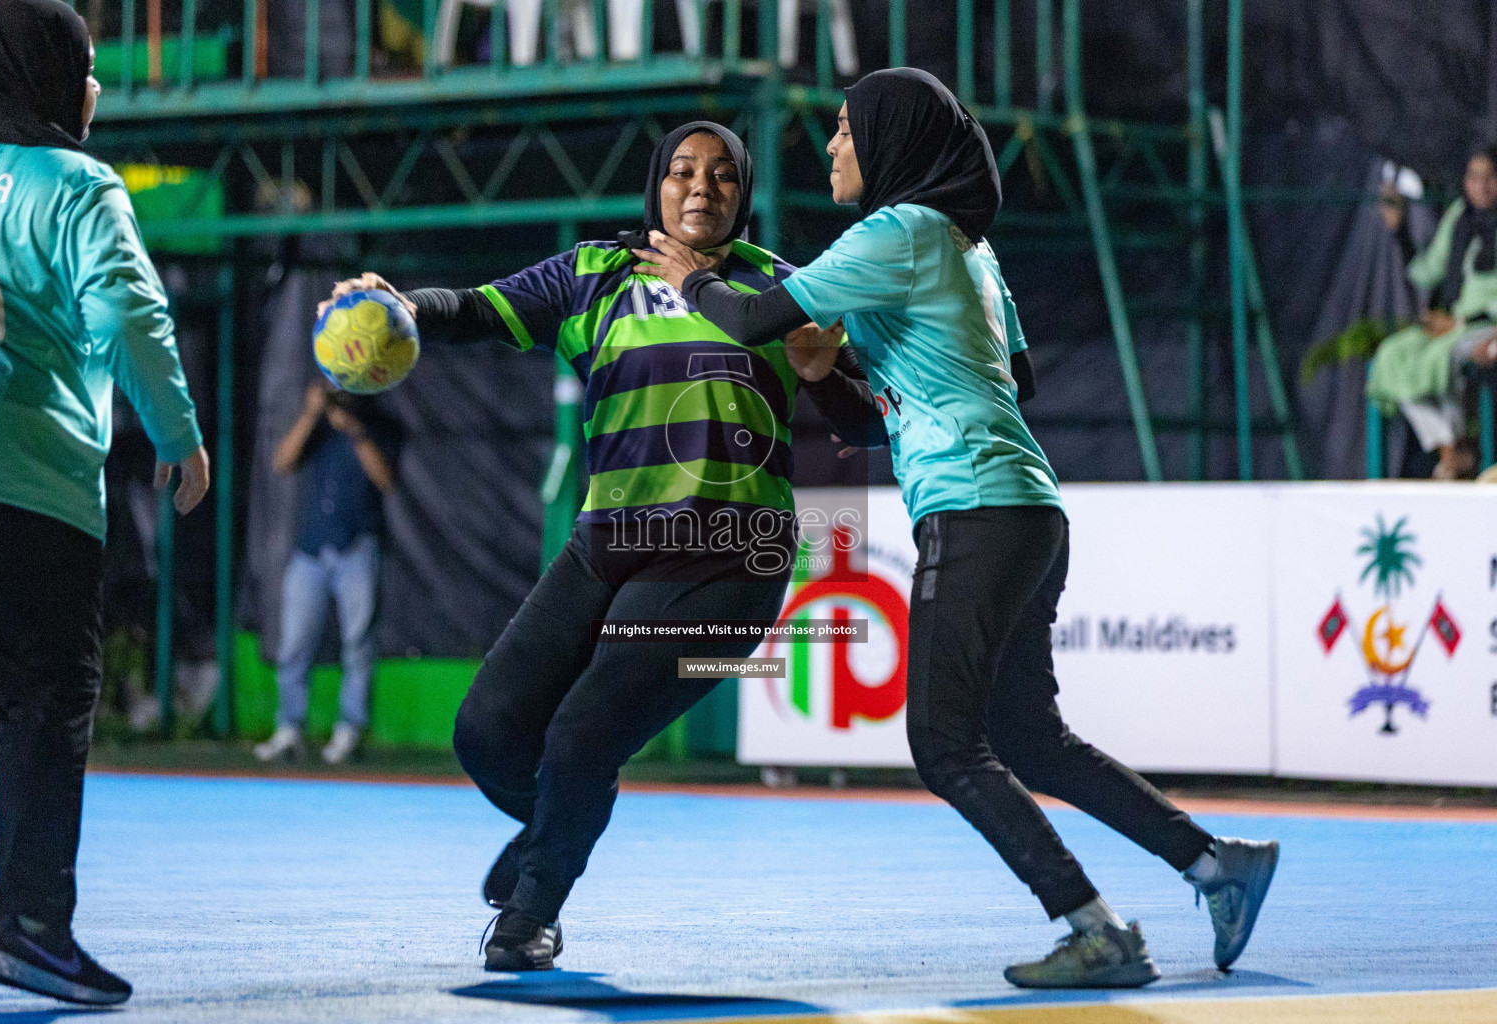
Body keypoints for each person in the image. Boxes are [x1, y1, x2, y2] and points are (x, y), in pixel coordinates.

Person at [637, 68, 1279, 990]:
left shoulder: (892, 233)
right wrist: (826, 374)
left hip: (975, 508)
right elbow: (975, 391)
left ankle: (1096, 929)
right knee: (1028, 737)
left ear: (893, 143)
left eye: (848, 130)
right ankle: (1218, 865)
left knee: (943, 745)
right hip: (1026, 509)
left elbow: (751, 317)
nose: (831, 146)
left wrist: (694, 278)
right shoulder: (972, 251)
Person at [324, 121, 883, 971]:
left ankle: (531, 915)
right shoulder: (595, 274)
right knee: (486, 733)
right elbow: (475, 310)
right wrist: (403, 309)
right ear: (656, 185)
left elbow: (855, 421)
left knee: (584, 735)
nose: (702, 189)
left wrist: (820, 371)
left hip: (733, 558)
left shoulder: (780, 289)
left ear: (745, 195)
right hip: (608, 544)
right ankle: (560, 823)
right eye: (684, 173)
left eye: (724, 177)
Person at [0, 0, 209, 1005]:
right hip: (25, 482)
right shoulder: (77, 184)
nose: (98, 84)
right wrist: (180, 435)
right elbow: (127, 314)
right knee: (44, 697)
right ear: (49, 76)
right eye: (90, 65)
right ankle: (28, 926)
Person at [253, 380, 398, 765]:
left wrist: (355, 431)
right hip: (311, 550)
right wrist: (310, 414)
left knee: (358, 643)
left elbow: (386, 480)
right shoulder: (317, 428)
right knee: (294, 642)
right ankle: (289, 729)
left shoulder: (381, 426)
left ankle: (350, 730)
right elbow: (282, 463)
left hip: (358, 548)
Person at [1370, 146, 1497, 479]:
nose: (1483, 187)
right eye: (1474, 178)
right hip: (1456, 325)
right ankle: (1451, 449)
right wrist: (1401, 231)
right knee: (1393, 356)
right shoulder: (1459, 217)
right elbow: (1426, 271)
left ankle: (1456, 458)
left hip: (1488, 329)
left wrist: (1468, 324)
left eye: (1491, 177)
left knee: (1446, 357)